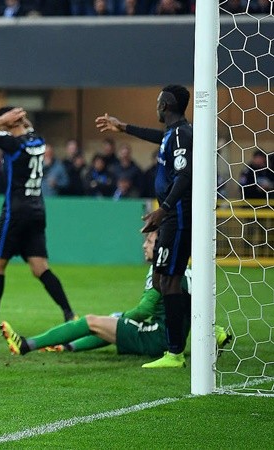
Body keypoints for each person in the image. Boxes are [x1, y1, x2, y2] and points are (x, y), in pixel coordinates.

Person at [1, 231, 233, 357]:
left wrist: (123, 315)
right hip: (171, 339)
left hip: (157, 339)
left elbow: (143, 311)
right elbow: (196, 310)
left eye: (149, 241)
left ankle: (27, 345)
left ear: (161, 245)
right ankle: (67, 347)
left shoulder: (160, 270)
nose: (144, 245)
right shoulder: (185, 269)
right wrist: (217, 332)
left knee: (93, 321)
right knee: (110, 325)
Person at [95, 84, 193, 368]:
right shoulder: (172, 134)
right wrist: (122, 126)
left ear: (166, 105)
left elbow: (185, 175)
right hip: (169, 215)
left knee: (170, 281)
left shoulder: (183, 134)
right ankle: (203, 330)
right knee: (162, 280)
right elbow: (158, 137)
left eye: (158, 101)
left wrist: (163, 210)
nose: (156, 106)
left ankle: (175, 352)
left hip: (178, 215)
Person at [0, 106, 77, 332]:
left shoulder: (13, 144)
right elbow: (24, 129)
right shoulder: (37, 140)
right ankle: (70, 313)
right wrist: (15, 121)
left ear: (10, 122)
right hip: (37, 210)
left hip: (14, 212)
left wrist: (1, 119)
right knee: (40, 267)